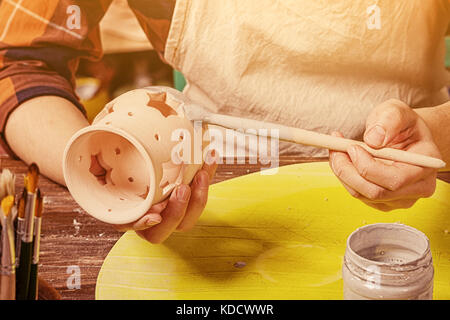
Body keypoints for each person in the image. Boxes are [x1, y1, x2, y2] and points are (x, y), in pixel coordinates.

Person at [0, 0, 449, 243]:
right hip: (210, 201)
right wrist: (92, 172)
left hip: (423, 181)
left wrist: (440, 133)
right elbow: (21, 63)